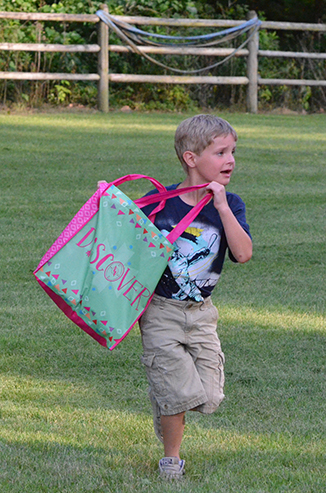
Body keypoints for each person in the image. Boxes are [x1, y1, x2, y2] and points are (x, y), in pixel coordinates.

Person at [139, 114, 252, 480]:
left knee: (208, 396)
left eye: (233, 151)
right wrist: (107, 199)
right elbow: (121, 235)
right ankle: (171, 459)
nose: (231, 160)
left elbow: (243, 253)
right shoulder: (160, 204)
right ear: (191, 159)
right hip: (161, 311)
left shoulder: (230, 204)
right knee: (176, 390)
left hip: (203, 313)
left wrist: (219, 207)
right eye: (220, 153)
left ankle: (166, 393)